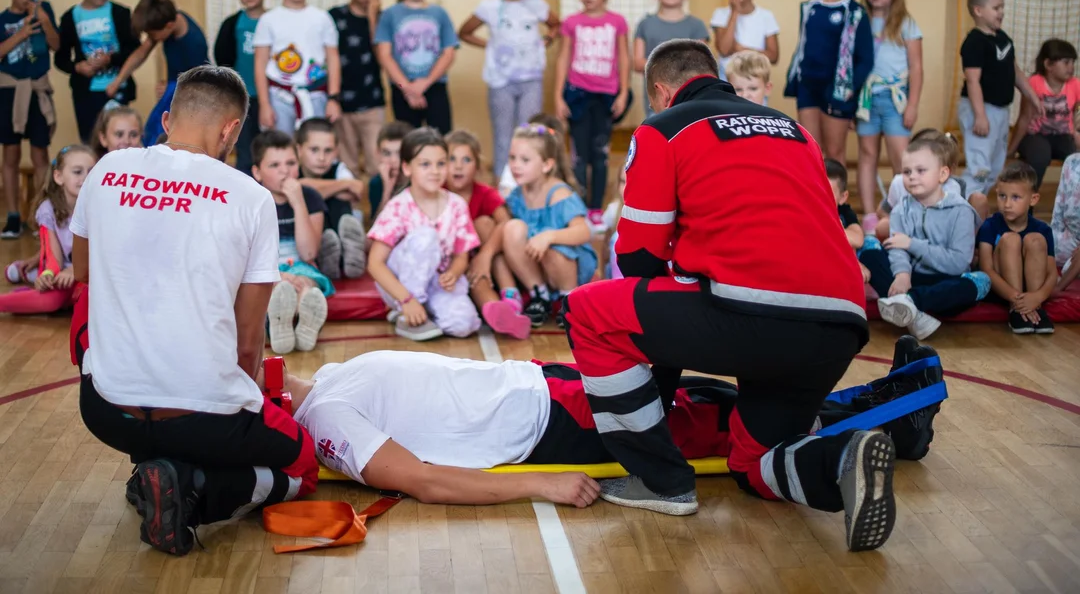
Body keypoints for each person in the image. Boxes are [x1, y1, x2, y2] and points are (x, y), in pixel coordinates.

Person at [562, 38, 891, 553]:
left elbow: (638, 258)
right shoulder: (795, 130)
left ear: (661, 92)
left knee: (587, 311)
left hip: (750, 315)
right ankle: (841, 462)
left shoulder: (662, 127)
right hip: (841, 323)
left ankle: (661, 480)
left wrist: (660, 367)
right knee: (753, 462)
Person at [70, 66, 318, 556]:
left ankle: (153, 463)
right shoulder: (251, 197)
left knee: (91, 303)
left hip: (105, 409)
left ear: (166, 120)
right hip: (201, 413)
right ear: (231, 130)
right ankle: (192, 488)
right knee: (302, 466)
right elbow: (249, 341)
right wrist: (249, 411)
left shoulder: (105, 169)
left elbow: (83, 273)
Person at [280, 336, 942, 506]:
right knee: (724, 426)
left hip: (540, 384)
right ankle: (904, 414)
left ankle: (896, 391)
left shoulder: (331, 376)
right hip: (550, 429)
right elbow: (421, 480)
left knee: (712, 403)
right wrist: (543, 485)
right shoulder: (328, 418)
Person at [860, 136, 987, 339]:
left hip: (944, 282)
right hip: (910, 279)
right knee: (869, 247)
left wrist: (912, 244)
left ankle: (908, 302)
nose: (912, 177)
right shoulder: (901, 208)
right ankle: (914, 313)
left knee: (980, 281)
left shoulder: (962, 211)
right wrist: (902, 275)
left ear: (943, 174)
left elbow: (958, 263)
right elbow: (897, 250)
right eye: (907, 171)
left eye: (921, 171)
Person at [367, 127, 481, 341]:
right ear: (407, 168)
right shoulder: (399, 206)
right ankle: (407, 312)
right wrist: (406, 299)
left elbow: (461, 254)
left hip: (436, 284)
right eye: (425, 164)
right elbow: (375, 264)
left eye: (441, 163)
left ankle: (424, 312)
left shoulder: (456, 205)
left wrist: (454, 273)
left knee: (463, 324)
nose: (435, 171)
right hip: (400, 287)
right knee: (426, 237)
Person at [459, 0, 560, 177]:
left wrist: (547, 40)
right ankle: (502, 187)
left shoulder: (536, 5)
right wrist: (490, 45)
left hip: (530, 81)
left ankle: (529, 183)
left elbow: (556, 25)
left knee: (529, 136)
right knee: (503, 136)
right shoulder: (489, 7)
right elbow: (464, 32)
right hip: (500, 80)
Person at [553, 0, 631, 228]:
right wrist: (558, 96)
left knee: (600, 154)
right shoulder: (571, 22)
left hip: (605, 95)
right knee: (578, 156)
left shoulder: (617, 21)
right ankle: (578, 208)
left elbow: (623, 57)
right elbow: (563, 58)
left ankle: (596, 208)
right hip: (577, 94)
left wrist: (622, 92)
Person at [784, 0, 874, 162]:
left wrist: (851, 88)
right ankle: (813, 196)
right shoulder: (810, 8)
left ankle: (836, 196)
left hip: (835, 90)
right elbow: (803, 46)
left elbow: (866, 59)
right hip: (808, 86)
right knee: (810, 151)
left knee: (834, 153)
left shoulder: (855, 13)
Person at [502, 125, 596, 328]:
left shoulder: (559, 194)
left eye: (525, 160)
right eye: (512, 158)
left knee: (553, 247)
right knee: (511, 228)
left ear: (546, 165)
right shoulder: (517, 196)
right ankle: (540, 295)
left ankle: (568, 300)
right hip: (541, 267)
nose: (516, 165)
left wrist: (549, 236)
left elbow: (584, 231)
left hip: (569, 266)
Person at [957, 0, 1043, 197]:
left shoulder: (1003, 38)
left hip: (1000, 110)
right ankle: (964, 209)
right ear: (978, 10)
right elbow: (973, 81)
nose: (1002, 12)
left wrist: (1032, 96)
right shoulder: (974, 42)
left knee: (995, 169)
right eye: (996, 8)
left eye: (1002, 7)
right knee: (980, 168)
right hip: (980, 108)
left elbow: (1014, 71)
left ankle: (978, 205)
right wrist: (980, 116)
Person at [251, 130, 333, 354]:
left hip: (301, 265)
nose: (285, 171)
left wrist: (298, 203)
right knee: (277, 286)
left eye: (290, 163)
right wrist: (279, 275)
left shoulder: (310, 197)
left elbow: (308, 252)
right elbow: (250, 255)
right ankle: (284, 323)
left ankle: (301, 325)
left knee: (308, 286)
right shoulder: (251, 200)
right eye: (275, 165)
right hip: (267, 268)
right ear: (257, 172)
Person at [857, 0, 923, 233]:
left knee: (901, 158)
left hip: (896, 99)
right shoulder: (859, 21)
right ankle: (870, 215)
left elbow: (917, 67)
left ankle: (901, 211)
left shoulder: (906, 24)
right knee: (867, 154)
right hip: (867, 99)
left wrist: (913, 105)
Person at [445, 129, 531, 339]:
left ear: (477, 166)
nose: (458, 166)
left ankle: (509, 301)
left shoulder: (484, 193)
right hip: (454, 265)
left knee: (485, 224)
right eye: (451, 159)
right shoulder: (438, 194)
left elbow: (507, 224)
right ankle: (497, 310)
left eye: (466, 159)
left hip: (488, 263)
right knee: (476, 279)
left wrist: (485, 255)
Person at [0, 0, 59, 239]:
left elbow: (56, 45)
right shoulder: (4, 20)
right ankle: (13, 216)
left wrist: (44, 21)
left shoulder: (44, 10)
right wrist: (21, 33)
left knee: (40, 154)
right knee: (10, 154)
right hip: (10, 93)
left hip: (37, 92)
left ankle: (41, 214)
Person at [254, 0, 342, 136]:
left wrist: (333, 98)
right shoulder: (268, 19)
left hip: (315, 94)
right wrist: (264, 104)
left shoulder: (322, 18)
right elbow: (260, 63)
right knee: (280, 148)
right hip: (279, 95)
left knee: (315, 148)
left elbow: (333, 59)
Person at [54, 0, 139, 143]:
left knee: (120, 143)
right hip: (86, 93)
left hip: (117, 88)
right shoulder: (70, 17)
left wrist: (110, 59)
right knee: (90, 141)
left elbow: (134, 49)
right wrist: (78, 67)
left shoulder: (120, 13)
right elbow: (61, 58)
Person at [106, 0, 209, 146]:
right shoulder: (170, 21)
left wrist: (172, 88)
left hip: (187, 102)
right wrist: (118, 80)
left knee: (159, 139)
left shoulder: (195, 44)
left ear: (168, 26)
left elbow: (201, 86)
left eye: (152, 35)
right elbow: (142, 52)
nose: (151, 39)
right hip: (173, 91)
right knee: (150, 135)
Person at [1, 145, 94, 314]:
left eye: (91, 171)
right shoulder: (47, 210)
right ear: (58, 176)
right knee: (52, 300)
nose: (86, 178)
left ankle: (27, 277)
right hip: (64, 272)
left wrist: (74, 269)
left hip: (88, 272)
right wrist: (49, 274)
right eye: (77, 172)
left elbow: (102, 253)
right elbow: (53, 254)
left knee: (84, 299)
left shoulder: (99, 206)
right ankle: (28, 280)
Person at [375, 0, 458, 134]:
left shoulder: (440, 14)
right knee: (408, 141)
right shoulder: (390, 14)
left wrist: (425, 83)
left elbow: (448, 53)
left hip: (435, 85)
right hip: (402, 88)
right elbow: (384, 55)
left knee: (441, 138)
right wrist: (408, 88)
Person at [977, 161, 1057, 334]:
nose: (1007, 204)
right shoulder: (990, 226)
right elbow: (986, 268)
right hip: (1002, 290)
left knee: (1035, 240)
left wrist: (1038, 297)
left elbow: (1052, 273)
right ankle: (1017, 310)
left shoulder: (1043, 230)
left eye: (1015, 197)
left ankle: (1036, 309)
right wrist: (1016, 298)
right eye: (1002, 196)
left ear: (1033, 199)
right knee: (1010, 239)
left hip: (1032, 292)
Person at [329, 0, 387, 178]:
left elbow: (380, 55)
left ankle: (380, 210)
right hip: (342, 103)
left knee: (376, 164)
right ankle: (352, 212)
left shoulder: (382, 18)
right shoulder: (335, 17)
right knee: (347, 163)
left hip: (372, 102)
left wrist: (372, 18)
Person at [213, 0, 270, 176]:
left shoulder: (273, 21)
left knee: (268, 147)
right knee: (244, 149)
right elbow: (222, 59)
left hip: (269, 97)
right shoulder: (232, 24)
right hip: (243, 98)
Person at [294, 118, 367, 279]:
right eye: (314, 150)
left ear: (336, 151)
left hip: (339, 235)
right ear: (299, 150)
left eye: (328, 151)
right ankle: (325, 256)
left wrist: (311, 189)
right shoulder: (292, 170)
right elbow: (298, 187)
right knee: (310, 202)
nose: (321, 157)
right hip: (311, 244)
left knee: (335, 201)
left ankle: (350, 254)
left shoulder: (338, 168)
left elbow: (356, 190)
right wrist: (341, 185)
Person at [634, 0, 710, 118]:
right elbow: (637, 63)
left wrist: (661, 65)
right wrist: (676, 66)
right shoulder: (645, 24)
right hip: (655, 102)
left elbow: (703, 67)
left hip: (690, 100)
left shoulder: (697, 26)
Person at [1007, 38, 1080, 190]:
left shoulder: (1075, 84)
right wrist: (1011, 149)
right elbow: (1024, 118)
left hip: (1063, 136)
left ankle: (1072, 204)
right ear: (1048, 65)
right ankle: (1028, 200)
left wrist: (1076, 133)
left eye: (1073, 62)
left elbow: (1076, 112)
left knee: (1075, 159)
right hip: (1036, 135)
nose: (1071, 67)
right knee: (1040, 157)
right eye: (1066, 62)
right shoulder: (1034, 83)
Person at [711, 0, 780, 83]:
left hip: (756, 81)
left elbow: (773, 56)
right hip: (726, 80)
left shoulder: (766, 16)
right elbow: (724, 50)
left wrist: (742, 50)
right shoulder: (720, 14)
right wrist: (734, 12)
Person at [825, 158, 873, 285]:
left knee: (872, 244)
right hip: (822, 261)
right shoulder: (808, 208)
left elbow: (858, 239)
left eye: (828, 193)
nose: (822, 197)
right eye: (818, 190)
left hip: (843, 261)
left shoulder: (844, 211)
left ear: (843, 197)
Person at [367, 120, 413, 219]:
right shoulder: (376, 183)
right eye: (386, 153)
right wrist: (387, 190)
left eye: (399, 153)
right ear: (377, 154)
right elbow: (377, 226)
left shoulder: (418, 179)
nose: (393, 160)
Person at [1052, 153, 1080, 293]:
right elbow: (1060, 202)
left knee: (1068, 268)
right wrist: (1053, 234)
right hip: (1070, 235)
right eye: (1078, 130)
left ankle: (1058, 289)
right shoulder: (1071, 161)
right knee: (1038, 241)